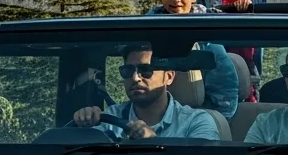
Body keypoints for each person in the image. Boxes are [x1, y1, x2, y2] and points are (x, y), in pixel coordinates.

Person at [143, 0, 240, 119]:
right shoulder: (146, 31)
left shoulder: (207, 36)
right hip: (155, 113)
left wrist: (219, 118)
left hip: (204, 114)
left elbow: (223, 84)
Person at [71, 44, 221, 140]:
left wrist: (154, 143)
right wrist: (84, 126)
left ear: (168, 77)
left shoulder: (196, 122)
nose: (135, 78)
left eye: (146, 70)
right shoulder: (109, 119)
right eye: (128, 70)